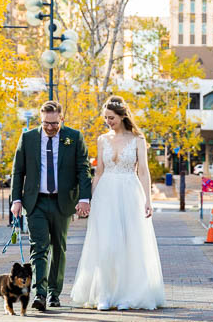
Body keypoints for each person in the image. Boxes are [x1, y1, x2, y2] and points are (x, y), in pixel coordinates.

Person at [70, 95, 165, 310]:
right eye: (105, 118)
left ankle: (128, 294)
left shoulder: (138, 140)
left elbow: (143, 171)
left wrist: (148, 200)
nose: (108, 122)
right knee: (106, 243)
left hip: (130, 193)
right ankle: (105, 293)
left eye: (111, 118)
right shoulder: (102, 140)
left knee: (129, 243)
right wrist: (90, 199)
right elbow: (99, 171)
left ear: (122, 116)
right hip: (106, 194)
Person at [10, 100, 92, 311]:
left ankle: (55, 292)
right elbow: (18, 171)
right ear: (41, 119)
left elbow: (83, 170)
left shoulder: (73, 138)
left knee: (59, 247)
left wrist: (84, 198)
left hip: (62, 202)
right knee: (39, 248)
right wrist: (16, 200)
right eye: (46, 123)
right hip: (35, 202)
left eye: (54, 124)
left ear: (61, 119)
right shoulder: (28, 138)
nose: (50, 127)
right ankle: (40, 293)